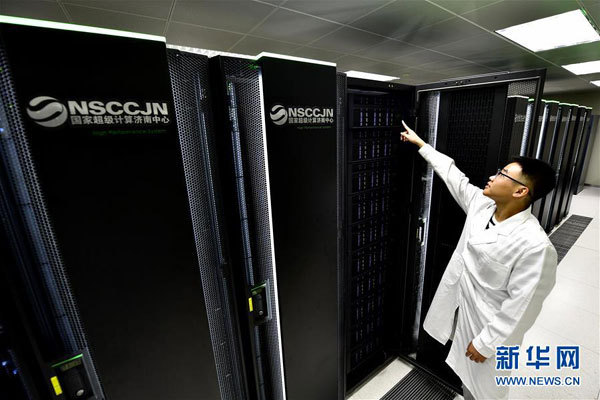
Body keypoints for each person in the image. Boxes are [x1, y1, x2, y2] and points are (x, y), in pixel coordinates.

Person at [400, 121, 558, 399]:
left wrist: (487, 344)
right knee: (465, 381)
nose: (492, 176)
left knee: (485, 391)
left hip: (489, 330)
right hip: (463, 312)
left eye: (503, 174)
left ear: (520, 191)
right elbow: (453, 176)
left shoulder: (535, 245)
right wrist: (422, 145)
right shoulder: (482, 205)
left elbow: (522, 309)